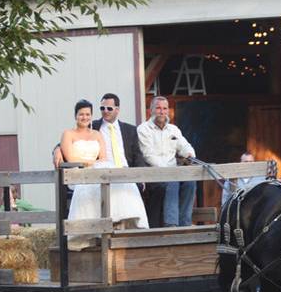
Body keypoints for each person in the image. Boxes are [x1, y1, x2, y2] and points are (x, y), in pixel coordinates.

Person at [61, 99, 148, 249]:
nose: (85, 117)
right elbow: (70, 157)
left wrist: (96, 165)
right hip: (78, 171)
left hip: (97, 168)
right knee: (92, 185)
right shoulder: (69, 134)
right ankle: (90, 230)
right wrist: (86, 162)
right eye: (81, 114)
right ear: (75, 116)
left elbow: (103, 157)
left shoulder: (96, 133)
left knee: (122, 181)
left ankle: (122, 221)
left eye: (88, 114)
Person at [138, 96, 197, 227]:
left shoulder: (173, 129)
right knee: (173, 180)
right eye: (158, 108)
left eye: (165, 108)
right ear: (150, 111)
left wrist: (190, 154)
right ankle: (171, 224)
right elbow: (148, 155)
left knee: (190, 182)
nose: (162, 111)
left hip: (172, 173)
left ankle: (184, 223)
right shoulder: (143, 129)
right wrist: (169, 171)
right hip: (154, 174)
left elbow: (185, 146)